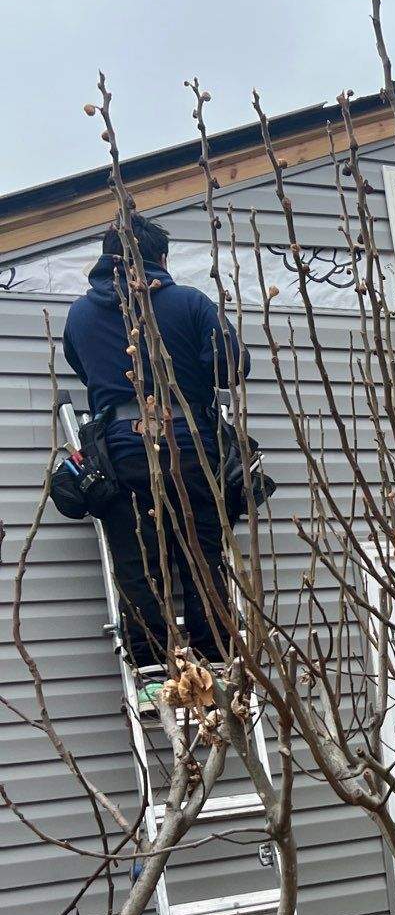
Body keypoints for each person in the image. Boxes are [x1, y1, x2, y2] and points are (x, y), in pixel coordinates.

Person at [62, 211, 249, 671]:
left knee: (136, 565)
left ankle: (150, 668)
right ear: (160, 257)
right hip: (191, 452)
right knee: (202, 557)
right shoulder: (189, 303)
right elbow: (231, 369)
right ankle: (218, 664)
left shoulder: (81, 314)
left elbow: (84, 370)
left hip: (122, 455)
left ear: (107, 260)